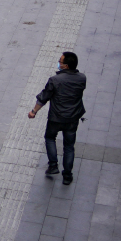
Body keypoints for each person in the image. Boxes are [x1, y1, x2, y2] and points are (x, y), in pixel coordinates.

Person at [28, 51, 87, 185]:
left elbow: (44, 97)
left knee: (50, 138)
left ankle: (53, 165)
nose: (58, 63)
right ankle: (67, 175)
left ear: (65, 66)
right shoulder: (82, 78)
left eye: (60, 61)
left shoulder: (55, 80)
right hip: (72, 118)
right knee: (69, 146)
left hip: (56, 117)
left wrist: (33, 111)